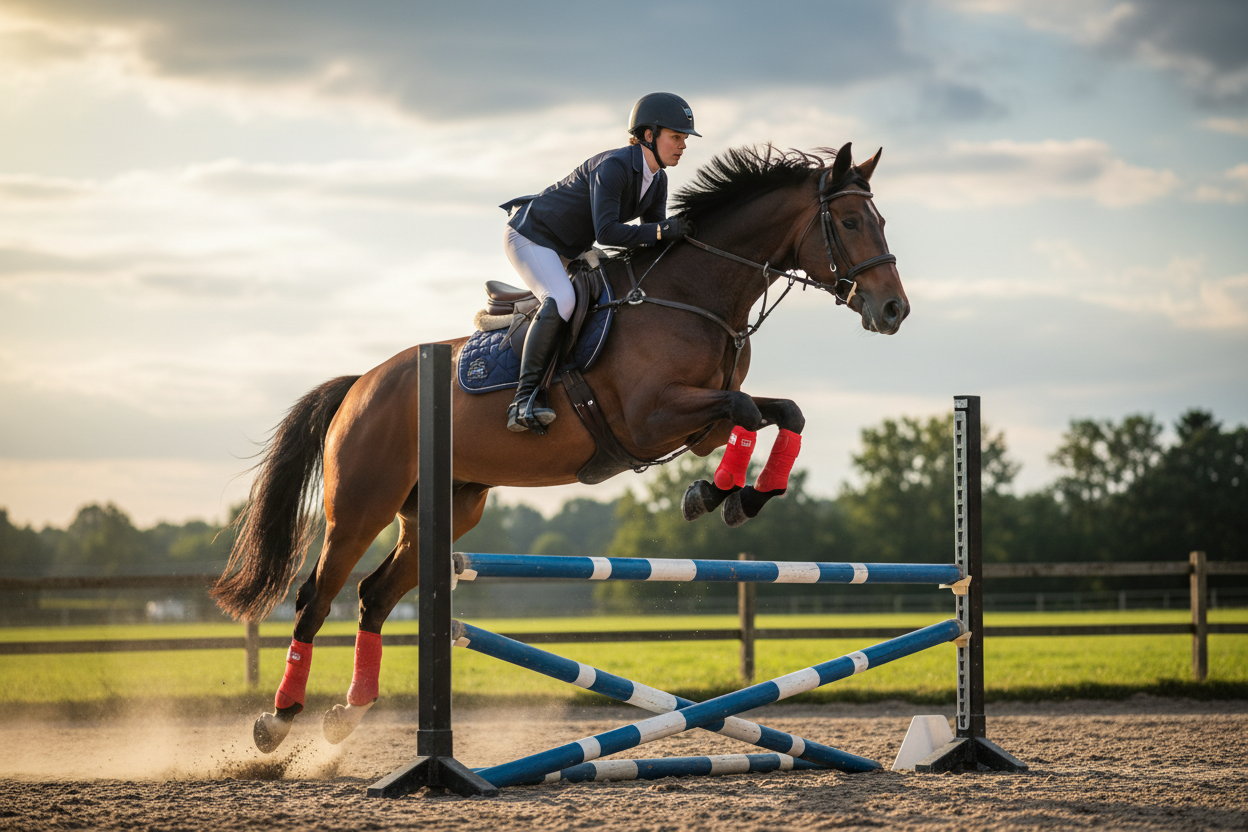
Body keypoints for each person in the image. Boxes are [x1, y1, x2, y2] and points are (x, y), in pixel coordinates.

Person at [498, 92, 700, 433]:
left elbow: (652, 236)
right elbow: (608, 232)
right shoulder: (615, 166)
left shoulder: (657, 180)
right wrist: (664, 231)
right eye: (676, 137)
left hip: (570, 245)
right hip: (532, 236)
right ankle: (523, 399)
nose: (683, 146)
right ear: (648, 135)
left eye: (684, 139)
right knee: (561, 298)